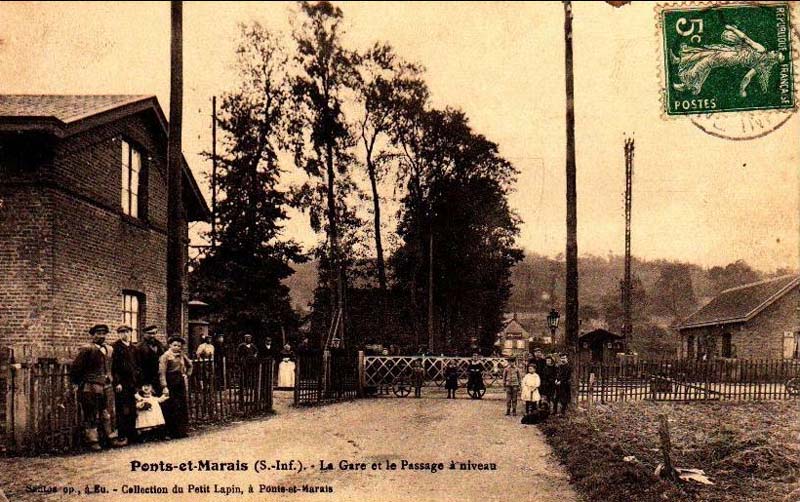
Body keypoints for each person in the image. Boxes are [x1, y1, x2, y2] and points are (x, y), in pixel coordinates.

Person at [69, 324, 122, 451]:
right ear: (93, 335)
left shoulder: (109, 349)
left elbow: (113, 368)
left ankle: (111, 438)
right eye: (98, 334)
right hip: (90, 386)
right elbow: (76, 368)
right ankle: (93, 441)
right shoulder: (87, 349)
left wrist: (114, 381)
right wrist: (77, 383)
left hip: (106, 385)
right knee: (91, 413)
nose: (101, 336)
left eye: (104, 334)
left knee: (107, 412)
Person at [159, 336, 193, 439]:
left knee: (180, 405)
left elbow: (190, 365)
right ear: (170, 345)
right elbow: (162, 372)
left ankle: (180, 431)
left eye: (179, 345)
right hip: (170, 381)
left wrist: (187, 374)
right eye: (174, 345)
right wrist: (164, 386)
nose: (177, 347)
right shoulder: (165, 356)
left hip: (180, 381)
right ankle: (170, 432)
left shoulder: (182, 355)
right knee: (171, 406)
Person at [111, 324, 139, 445]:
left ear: (131, 333)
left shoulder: (133, 348)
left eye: (127, 332)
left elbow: (136, 365)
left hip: (132, 382)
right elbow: (114, 367)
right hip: (122, 383)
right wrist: (117, 382)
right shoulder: (115, 347)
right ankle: (122, 435)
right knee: (122, 409)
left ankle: (132, 434)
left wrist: (137, 380)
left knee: (132, 408)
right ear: (119, 334)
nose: (125, 334)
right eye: (122, 332)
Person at [136, 325, 165, 394]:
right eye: (150, 333)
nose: (152, 336)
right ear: (144, 334)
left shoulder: (160, 346)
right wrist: (144, 383)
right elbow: (138, 367)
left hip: (158, 379)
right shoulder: (139, 348)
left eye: (154, 333)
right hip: (146, 379)